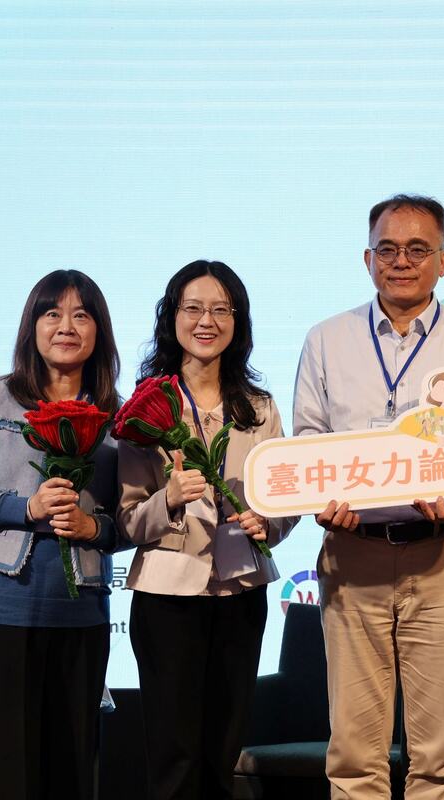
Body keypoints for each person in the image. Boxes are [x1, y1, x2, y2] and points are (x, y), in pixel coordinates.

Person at [293, 194, 444, 799]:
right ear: (368, 258)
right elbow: (309, 442)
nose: (402, 261)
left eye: (418, 249)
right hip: (352, 552)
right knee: (353, 754)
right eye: (388, 249)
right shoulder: (326, 340)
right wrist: (322, 497)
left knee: (441, 754)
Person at [0, 269, 121, 800]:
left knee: (71, 771)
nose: (66, 326)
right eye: (52, 313)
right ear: (32, 327)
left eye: (81, 315)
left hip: (81, 611)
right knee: (5, 774)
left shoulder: (117, 415)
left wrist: (95, 526)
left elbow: (126, 518)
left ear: (98, 332)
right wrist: (25, 508)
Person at [117, 260, 298, 800]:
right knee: (175, 756)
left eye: (222, 309)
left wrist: (269, 522)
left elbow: (285, 503)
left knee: (224, 750)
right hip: (168, 595)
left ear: (237, 322)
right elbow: (127, 519)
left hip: (242, 591)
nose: (206, 320)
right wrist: (168, 498)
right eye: (193, 308)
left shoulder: (259, 409)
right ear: (171, 317)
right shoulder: (147, 406)